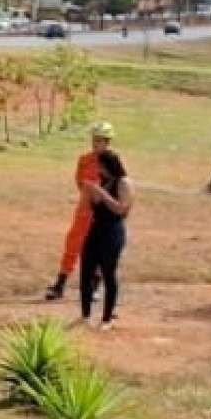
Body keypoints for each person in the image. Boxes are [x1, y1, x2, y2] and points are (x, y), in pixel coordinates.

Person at [43, 121, 121, 302]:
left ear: (108, 142)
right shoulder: (84, 160)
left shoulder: (112, 162)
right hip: (84, 211)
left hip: (103, 214)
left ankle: (95, 286)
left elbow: (119, 186)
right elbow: (80, 183)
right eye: (94, 140)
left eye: (100, 141)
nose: (96, 144)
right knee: (72, 246)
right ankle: (60, 285)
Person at [75, 134, 129, 329]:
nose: (97, 169)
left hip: (113, 231)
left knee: (108, 272)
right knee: (86, 269)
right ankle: (85, 314)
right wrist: (89, 193)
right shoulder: (98, 183)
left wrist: (102, 194)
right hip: (95, 228)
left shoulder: (123, 183)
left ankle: (107, 318)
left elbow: (122, 209)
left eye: (100, 165)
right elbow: (88, 207)